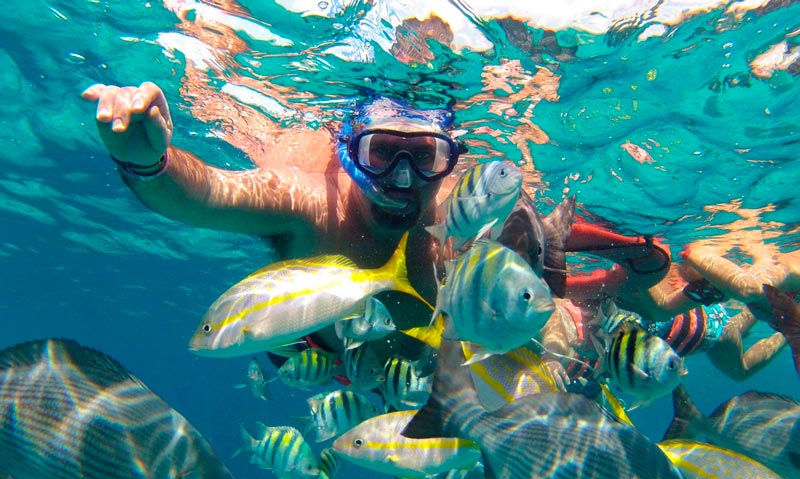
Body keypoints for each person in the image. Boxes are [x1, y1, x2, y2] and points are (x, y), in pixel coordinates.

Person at [81, 82, 671, 353]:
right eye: (383, 154)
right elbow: (207, 195)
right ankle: (613, 282)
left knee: (568, 327)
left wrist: (555, 281)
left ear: (450, 162)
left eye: (426, 158)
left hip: (447, 347)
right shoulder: (310, 201)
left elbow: (528, 230)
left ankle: (615, 279)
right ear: (345, 152)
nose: (404, 181)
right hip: (348, 364)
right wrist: (149, 161)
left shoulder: (455, 214)